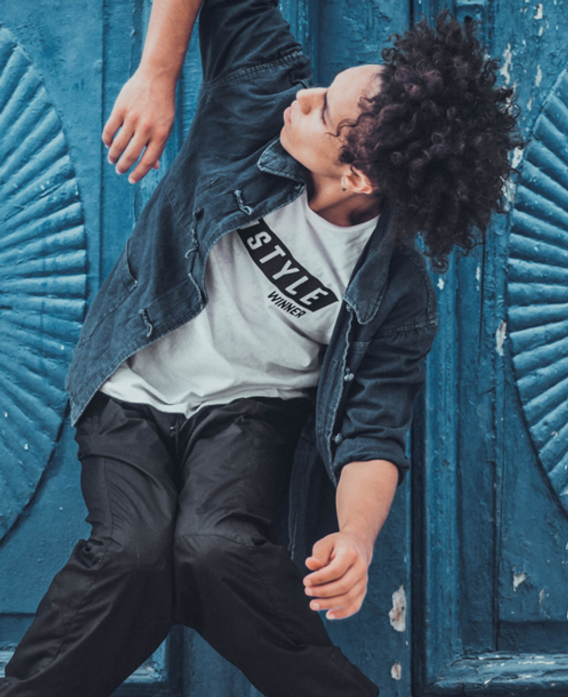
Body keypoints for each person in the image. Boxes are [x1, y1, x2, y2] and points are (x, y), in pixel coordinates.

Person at [0, 1, 522, 696]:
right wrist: (158, 73)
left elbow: (375, 431)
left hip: (251, 412)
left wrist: (357, 537)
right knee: (131, 552)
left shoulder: (395, 290)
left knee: (212, 550)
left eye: (321, 111)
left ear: (359, 178)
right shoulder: (259, 91)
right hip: (133, 384)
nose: (302, 98)